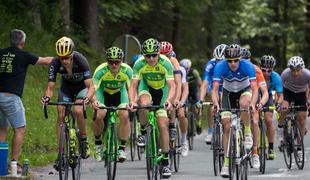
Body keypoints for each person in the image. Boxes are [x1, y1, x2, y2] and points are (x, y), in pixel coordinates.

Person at [0, 29, 53, 172]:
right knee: (20, 129)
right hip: (11, 98)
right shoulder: (24, 56)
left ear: (11, 40)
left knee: (2, 130)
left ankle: (1, 166)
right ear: (22, 42)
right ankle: (13, 164)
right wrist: (63, 57)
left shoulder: (1, 53)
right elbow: (46, 60)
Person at [41, 36, 95, 169]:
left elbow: (91, 86)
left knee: (77, 110)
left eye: (66, 57)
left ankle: (83, 140)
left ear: (71, 55)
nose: (64, 61)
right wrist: (47, 97)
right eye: (61, 58)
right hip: (67, 89)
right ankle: (61, 154)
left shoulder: (81, 60)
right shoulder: (55, 63)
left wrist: (88, 98)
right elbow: (50, 87)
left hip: (82, 88)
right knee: (60, 113)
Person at [127, 38, 175, 178]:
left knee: (162, 124)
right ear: (144, 55)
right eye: (148, 56)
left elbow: (172, 86)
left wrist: (168, 101)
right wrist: (132, 101)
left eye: (154, 55)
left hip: (162, 90)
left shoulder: (166, 63)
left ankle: (165, 162)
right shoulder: (139, 64)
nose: (151, 58)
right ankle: (143, 130)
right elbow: (133, 85)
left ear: (159, 54)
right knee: (143, 104)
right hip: (146, 88)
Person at [211, 44, 258, 177]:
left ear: (240, 59)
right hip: (228, 93)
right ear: (225, 60)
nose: (233, 63)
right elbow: (214, 90)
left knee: (244, 103)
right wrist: (215, 103)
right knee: (226, 125)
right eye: (230, 61)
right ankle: (226, 164)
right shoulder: (220, 66)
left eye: (236, 60)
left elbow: (255, 89)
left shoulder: (247, 66)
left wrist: (253, 104)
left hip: (245, 90)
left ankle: (247, 132)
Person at [91, 46, 132, 162]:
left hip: (120, 93)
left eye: (117, 62)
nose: (114, 65)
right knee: (99, 115)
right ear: (107, 61)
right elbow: (92, 88)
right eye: (111, 62)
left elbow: (132, 88)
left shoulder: (127, 71)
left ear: (121, 61)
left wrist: (132, 102)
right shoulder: (101, 70)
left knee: (124, 115)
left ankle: (122, 148)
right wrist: (94, 101)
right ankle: (98, 144)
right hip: (103, 94)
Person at [240, 48, 269, 169]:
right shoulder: (234, 67)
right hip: (238, 94)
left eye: (247, 60)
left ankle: (255, 153)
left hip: (253, 95)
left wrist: (260, 104)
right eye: (242, 60)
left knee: (255, 121)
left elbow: (265, 92)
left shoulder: (256, 70)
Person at [278, 56, 310, 161]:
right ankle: (280, 127)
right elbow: (279, 89)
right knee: (284, 109)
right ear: (289, 69)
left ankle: (299, 147)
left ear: (302, 68)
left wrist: (308, 100)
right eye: (293, 70)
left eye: (298, 70)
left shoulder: (307, 74)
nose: (295, 73)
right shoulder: (285, 74)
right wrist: (280, 102)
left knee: (302, 118)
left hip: (301, 93)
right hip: (288, 92)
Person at [197, 44, 227, 144]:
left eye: (222, 61)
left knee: (224, 101)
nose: (219, 63)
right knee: (212, 105)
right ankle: (210, 132)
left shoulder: (231, 64)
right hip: (214, 85)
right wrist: (201, 100)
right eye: (217, 60)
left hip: (227, 85)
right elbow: (205, 84)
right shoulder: (211, 64)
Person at [259, 55, 283, 160]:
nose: (266, 73)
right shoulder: (256, 75)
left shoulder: (276, 77)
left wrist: (278, 104)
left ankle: (271, 148)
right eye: (263, 70)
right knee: (254, 119)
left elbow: (280, 95)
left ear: (272, 70)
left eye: (269, 71)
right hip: (256, 95)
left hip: (267, 96)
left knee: (269, 120)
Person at [160, 41, 182, 142]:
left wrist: (177, 99)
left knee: (172, 101)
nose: (165, 58)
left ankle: (172, 124)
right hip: (160, 84)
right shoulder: (155, 60)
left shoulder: (174, 61)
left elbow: (178, 83)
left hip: (171, 84)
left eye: (167, 55)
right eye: (162, 55)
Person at [180, 59, 203, 134]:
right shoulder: (181, 72)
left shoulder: (194, 72)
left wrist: (201, 95)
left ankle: (198, 123)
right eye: (185, 68)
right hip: (185, 91)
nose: (186, 70)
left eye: (187, 68)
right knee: (184, 109)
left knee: (197, 107)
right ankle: (187, 126)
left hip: (194, 91)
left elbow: (200, 83)